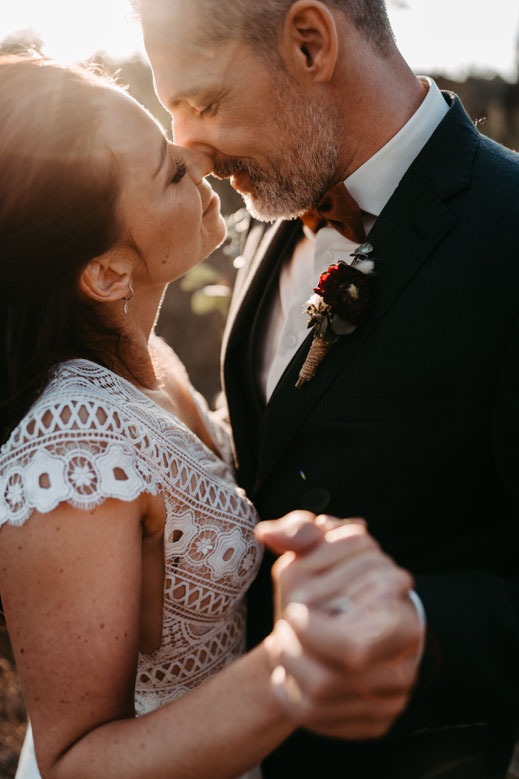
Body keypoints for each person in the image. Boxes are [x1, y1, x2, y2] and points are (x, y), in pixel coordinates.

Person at [0, 55, 420, 779]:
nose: (195, 154)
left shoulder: (149, 362)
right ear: (105, 273)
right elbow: (73, 761)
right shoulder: (70, 447)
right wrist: (290, 667)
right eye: (168, 172)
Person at [137, 0, 519, 777]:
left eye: (203, 102)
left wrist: (415, 623)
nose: (189, 149)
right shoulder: (278, 193)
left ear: (310, 43)